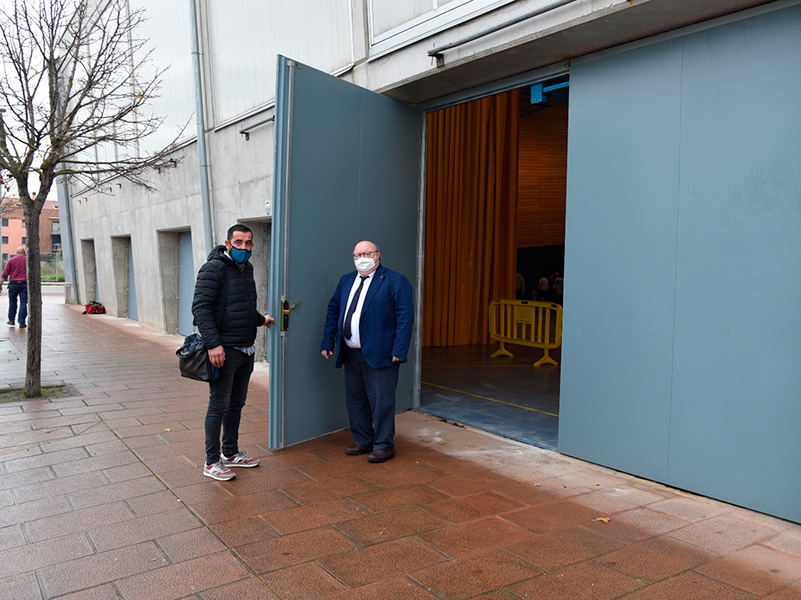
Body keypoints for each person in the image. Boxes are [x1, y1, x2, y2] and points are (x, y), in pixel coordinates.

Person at [191, 224, 274, 481]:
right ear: (227, 244)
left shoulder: (246, 268)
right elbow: (200, 309)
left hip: (246, 348)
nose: (243, 248)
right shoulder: (213, 269)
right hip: (224, 350)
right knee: (218, 405)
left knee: (236, 403)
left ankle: (230, 453)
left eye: (248, 243)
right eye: (238, 243)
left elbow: (244, 307)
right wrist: (214, 344)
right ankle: (211, 461)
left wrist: (262, 320)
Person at [320, 240, 414, 463]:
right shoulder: (346, 281)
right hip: (351, 352)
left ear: (377, 255)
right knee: (356, 399)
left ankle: (383, 445)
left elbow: (405, 318)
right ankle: (363, 440)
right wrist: (327, 342)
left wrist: (399, 349)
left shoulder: (395, 281)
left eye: (366, 253)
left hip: (382, 353)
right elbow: (333, 311)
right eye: (357, 255)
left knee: (381, 401)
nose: (361, 258)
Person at [1, 246, 27, 329]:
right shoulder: (27, 261)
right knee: (23, 302)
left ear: (16, 252)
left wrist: (0, 284)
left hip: (13, 284)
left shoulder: (11, 261)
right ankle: (22, 322)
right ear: (24, 252)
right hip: (24, 284)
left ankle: (11, 320)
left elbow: (5, 274)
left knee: (12, 302)